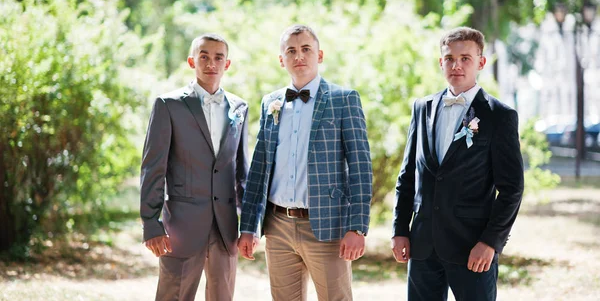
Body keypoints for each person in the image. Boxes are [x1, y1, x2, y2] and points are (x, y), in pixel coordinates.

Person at [238, 24, 372, 301]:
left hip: (326, 225)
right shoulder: (270, 103)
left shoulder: (343, 100)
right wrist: (249, 226)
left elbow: (360, 167)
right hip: (278, 227)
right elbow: (260, 167)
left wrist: (357, 227)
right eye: (291, 51)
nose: (299, 56)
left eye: (306, 49)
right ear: (281, 59)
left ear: (319, 55)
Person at [391, 26, 524, 301]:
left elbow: (511, 189)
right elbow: (407, 176)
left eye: (465, 58)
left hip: (472, 246)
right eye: (450, 58)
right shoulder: (421, 108)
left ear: (481, 63)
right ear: (441, 62)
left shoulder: (499, 116)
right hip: (423, 244)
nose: (457, 65)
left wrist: (490, 242)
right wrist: (400, 230)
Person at [140, 33, 249, 301]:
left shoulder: (239, 107)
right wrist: (150, 223)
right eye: (204, 56)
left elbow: (242, 173)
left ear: (227, 64)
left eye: (218, 57)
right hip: (181, 225)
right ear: (192, 61)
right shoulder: (169, 105)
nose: (211, 63)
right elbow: (153, 168)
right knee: (173, 296)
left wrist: (248, 225)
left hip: (225, 227)